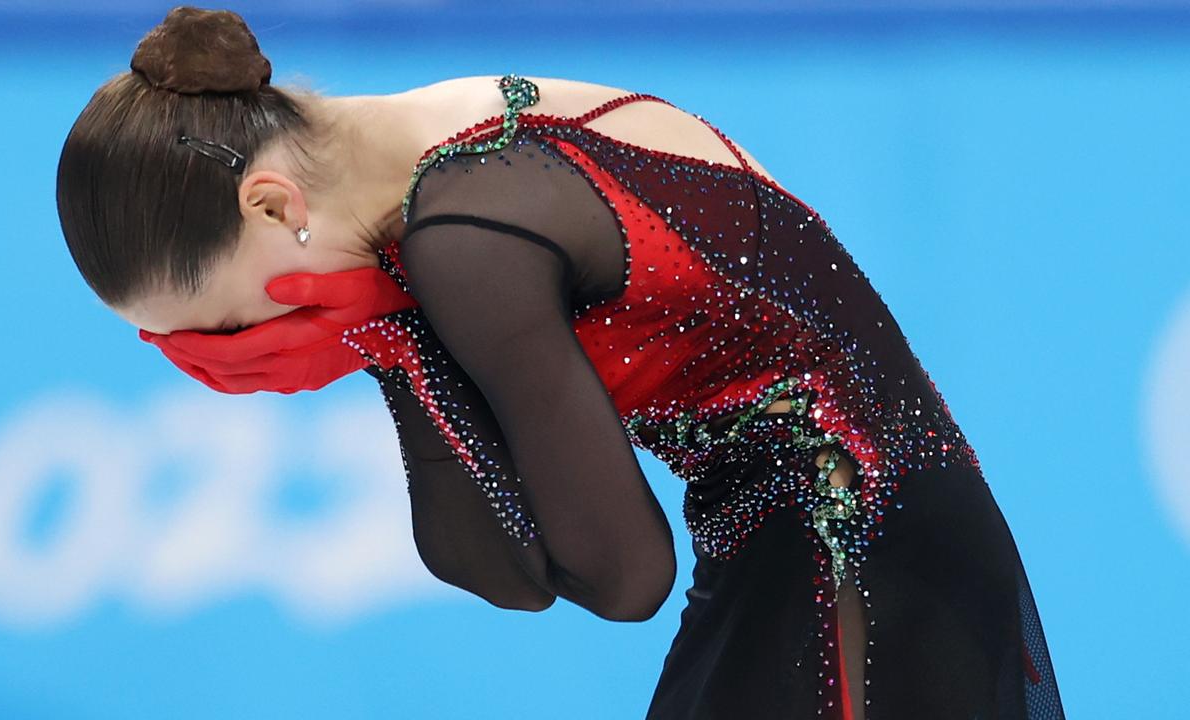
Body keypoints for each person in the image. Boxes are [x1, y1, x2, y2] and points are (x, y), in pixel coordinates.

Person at [55, 7, 1067, 719]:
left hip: (850, 558)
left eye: (226, 327)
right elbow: (515, 569)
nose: (232, 361)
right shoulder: (442, 138)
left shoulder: (466, 236)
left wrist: (390, 338)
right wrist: (393, 326)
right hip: (853, 538)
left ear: (273, 205)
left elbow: (618, 576)